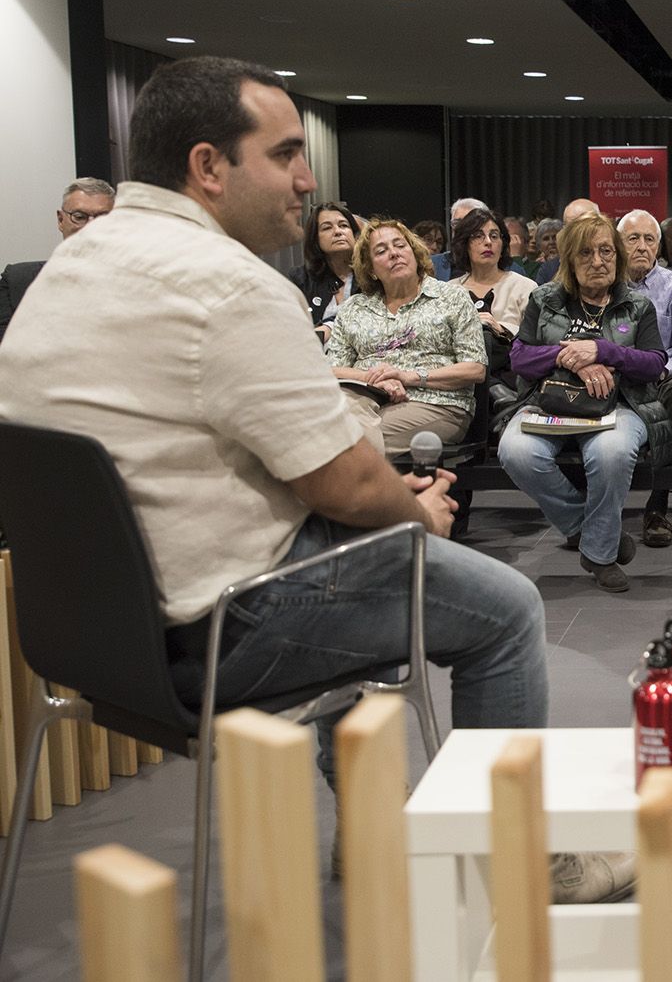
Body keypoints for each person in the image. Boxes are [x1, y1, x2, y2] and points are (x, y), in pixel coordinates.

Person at [0, 57, 637, 900]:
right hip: (215, 631)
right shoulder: (228, 285)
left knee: (359, 558)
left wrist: (375, 504)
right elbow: (342, 485)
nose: (308, 181)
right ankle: (518, 862)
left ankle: (374, 828)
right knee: (505, 610)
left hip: (85, 635)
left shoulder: (61, 273)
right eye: (286, 153)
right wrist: (413, 514)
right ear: (207, 167)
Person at [497, 212, 669, 593]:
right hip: (548, 401)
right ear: (569, 262)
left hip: (623, 403)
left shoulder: (637, 306)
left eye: (606, 251)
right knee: (515, 451)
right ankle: (589, 531)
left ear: (618, 257)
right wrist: (565, 356)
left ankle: (599, 554)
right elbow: (519, 358)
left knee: (611, 452)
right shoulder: (544, 300)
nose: (598, 261)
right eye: (586, 253)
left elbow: (655, 364)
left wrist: (603, 351)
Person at [326, 219, 487, 456]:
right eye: (381, 251)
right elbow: (332, 369)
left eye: (400, 245)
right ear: (370, 269)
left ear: (414, 252)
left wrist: (407, 377)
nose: (393, 254)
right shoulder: (354, 308)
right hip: (366, 398)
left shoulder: (452, 297)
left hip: (435, 403)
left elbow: (475, 370)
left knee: (349, 443)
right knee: (327, 429)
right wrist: (374, 379)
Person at [615, 209, 672, 548]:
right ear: (619, 245)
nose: (641, 246)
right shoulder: (605, 284)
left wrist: (657, 370)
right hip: (615, 375)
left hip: (662, 375)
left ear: (659, 246)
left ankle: (659, 502)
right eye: (632, 238)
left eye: (649, 239)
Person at [0, 177, 114, 344]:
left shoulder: (137, 283)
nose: (91, 227)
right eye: (80, 216)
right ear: (61, 220)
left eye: (102, 218)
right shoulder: (18, 281)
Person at [444, 205, 537, 393]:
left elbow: (535, 344)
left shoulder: (525, 287)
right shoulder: (449, 290)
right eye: (478, 236)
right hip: (459, 379)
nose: (488, 242)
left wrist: (500, 330)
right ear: (464, 244)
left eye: (494, 236)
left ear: (503, 244)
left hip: (511, 375)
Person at [283, 200, 358, 344]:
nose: (338, 232)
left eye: (344, 225)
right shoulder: (301, 279)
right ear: (315, 239)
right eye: (327, 228)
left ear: (355, 235)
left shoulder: (372, 277)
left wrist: (329, 327)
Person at [430, 197, 489, 281]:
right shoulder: (431, 264)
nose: (461, 228)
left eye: (469, 223)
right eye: (457, 223)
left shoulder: (506, 269)